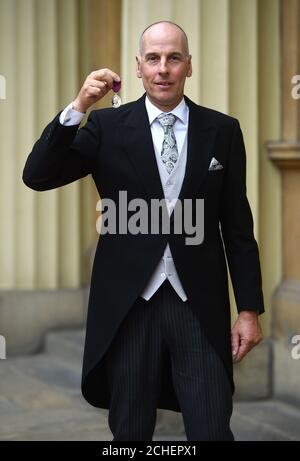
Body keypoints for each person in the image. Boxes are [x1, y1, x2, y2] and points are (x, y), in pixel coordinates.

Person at [23, 21, 264, 441]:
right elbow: (38, 175)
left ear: (189, 66)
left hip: (199, 307)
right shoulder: (106, 128)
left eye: (174, 58)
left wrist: (248, 309)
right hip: (129, 308)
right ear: (138, 67)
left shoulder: (222, 131)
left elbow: (238, 227)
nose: (163, 68)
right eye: (153, 58)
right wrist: (79, 105)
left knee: (211, 427)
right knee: (131, 433)